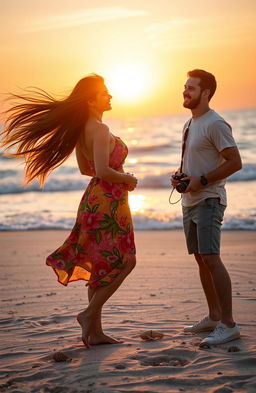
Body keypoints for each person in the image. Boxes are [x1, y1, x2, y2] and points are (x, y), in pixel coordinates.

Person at [1, 74, 137, 347]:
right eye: (104, 92)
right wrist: (127, 179)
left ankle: (94, 333)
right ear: (90, 99)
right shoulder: (100, 129)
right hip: (108, 203)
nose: (110, 96)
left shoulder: (83, 129)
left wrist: (115, 178)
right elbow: (100, 170)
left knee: (100, 265)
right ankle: (88, 315)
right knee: (127, 261)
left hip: (94, 201)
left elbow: (86, 170)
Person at [171, 69, 242, 345]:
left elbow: (235, 163)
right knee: (201, 258)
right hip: (190, 201)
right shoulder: (189, 124)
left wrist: (201, 181)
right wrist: (180, 176)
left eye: (191, 88)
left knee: (211, 258)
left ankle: (228, 323)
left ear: (206, 93)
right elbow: (196, 161)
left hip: (210, 199)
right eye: (185, 87)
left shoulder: (216, 123)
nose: (185, 92)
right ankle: (213, 316)